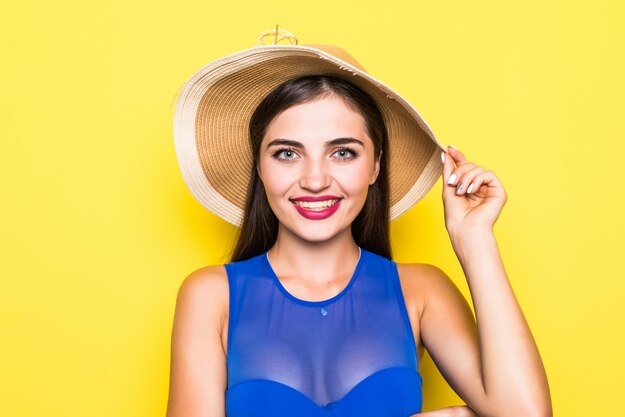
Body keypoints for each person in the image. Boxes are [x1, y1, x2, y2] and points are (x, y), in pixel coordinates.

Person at [167, 29, 552, 417]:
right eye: (287, 153)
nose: (315, 180)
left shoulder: (422, 291)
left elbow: (525, 414)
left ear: (375, 166)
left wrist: (475, 240)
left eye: (343, 152)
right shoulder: (211, 296)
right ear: (260, 168)